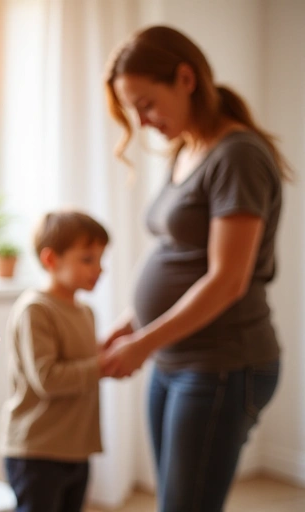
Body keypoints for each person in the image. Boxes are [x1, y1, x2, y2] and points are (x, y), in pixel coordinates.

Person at [101, 25, 291, 512]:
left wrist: (143, 342)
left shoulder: (239, 155)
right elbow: (179, 252)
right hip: (176, 358)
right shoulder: (188, 147)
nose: (141, 121)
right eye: (133, 110)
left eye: (146, 103)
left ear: (186, 78)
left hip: (223, 363)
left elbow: (227, 280)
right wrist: (131, 322)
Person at [0, 211, 110, 512]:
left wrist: (104, 355)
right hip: (37, 450)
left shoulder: (86, 312)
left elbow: (78, 361)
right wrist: (104, 365)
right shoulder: (36, 309)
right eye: (88, 259)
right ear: (51, 260)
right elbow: (48, 378)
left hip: (75, 447)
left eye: (101, 259)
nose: (99, 269)